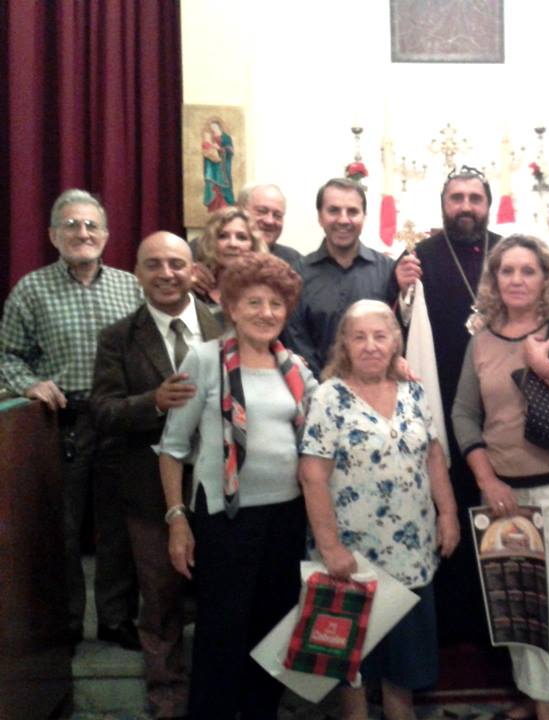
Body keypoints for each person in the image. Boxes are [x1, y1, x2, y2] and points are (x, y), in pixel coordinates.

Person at [452, 235, 549, 720]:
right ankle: (538, 695)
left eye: (528, 270)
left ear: (545, 278)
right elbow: (464, 413)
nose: (517, 279)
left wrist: (543, 366)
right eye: (507, 270)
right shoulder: (481, 338)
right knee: (516, 606)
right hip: (504, 491)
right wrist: (487, 479)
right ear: (494, 279)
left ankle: (548, 710)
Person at [156, 253, 317, 719]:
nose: (266, 312)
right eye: (254, 302)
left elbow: (329, 414)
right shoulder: (205, 360)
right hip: (225, 519)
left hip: (286, 518)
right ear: (230, 306)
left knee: (273, 631)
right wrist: (177, 521)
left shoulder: (295, 368)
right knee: (221, 634)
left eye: (275, 304)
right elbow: (172, 448)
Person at [300, 299, 460, 720]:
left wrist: (448, 514)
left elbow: (434, 456)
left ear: (394, 343)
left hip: (411, 553)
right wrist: (330, 548)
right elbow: (312, 476)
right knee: (351, 668)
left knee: (404, 668)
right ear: (345, 345)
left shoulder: (414, 392)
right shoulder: (328, 397)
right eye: (359, 337)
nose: (370, 345)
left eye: (380, 336)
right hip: (351, 559)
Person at [0, 188, 143, 650]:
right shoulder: (31, 289)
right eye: (71, 225)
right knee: (61, 529)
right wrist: (29, 384)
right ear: (52, 235)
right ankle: (64, 622)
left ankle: (116, 619)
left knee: (118, 528)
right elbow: (7, 354)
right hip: (63, 422)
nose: (83, 233)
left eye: (91, 225)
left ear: (106, 234)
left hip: (118, 420)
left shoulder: (130, 286)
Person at [91, 232, 222, 719]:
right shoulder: (118, 337)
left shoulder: (225, 325)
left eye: (176, 263)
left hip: (223, 488)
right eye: (153, 264)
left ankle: (217, 694)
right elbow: (103, 412)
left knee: (221, 596)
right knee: (162, 597)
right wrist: (154, 403)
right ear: (137, 274)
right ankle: (167, 697)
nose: (166, 274)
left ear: (193, 270)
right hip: (149, 491)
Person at [391, 166, 502, 645]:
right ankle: (452, 620)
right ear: (443, 204)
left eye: (475, 198)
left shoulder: (507, 253)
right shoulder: (420, 257)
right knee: (447, 501)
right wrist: (399, 288)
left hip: (499, 404)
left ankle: (495, 620)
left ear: (488, 205)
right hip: (440, 399)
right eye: (457, 198)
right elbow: (396, 328)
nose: (466, 207)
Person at [285, 178, 393, 378]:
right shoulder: (297, 275)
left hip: (377, 388)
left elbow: (395, 336)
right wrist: (326, 388)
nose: (343, 220)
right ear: (320, 217)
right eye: (334, 210)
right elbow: (297, 340)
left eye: (352, 212)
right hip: (316, 389)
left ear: (364, 217)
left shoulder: (387, 271)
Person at [193, 206, 267, 313]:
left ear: (253, 245)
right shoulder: (194, 289)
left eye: (241, 237)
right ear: (211, 243)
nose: (232, 244)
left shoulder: (267, 290)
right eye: (223, 236)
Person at [237, 183, 303, 269]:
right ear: (240, 210)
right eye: (262, 211)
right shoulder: (225, 255)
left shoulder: (295, 262)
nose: (269, 221)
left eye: (277, 215)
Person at [201, 118, 235, 211]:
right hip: (212, 165)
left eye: (214, 126)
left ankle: (225, 205)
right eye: (211, 127)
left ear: (219, 126)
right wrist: (208, 148)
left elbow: (230, 151)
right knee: (213, 184)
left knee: (223, 184)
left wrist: (219, 148)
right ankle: (214, 206)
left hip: (223, 165)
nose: (213, 128)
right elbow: (206, 150)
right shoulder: (209, 137)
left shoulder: (226, 137)